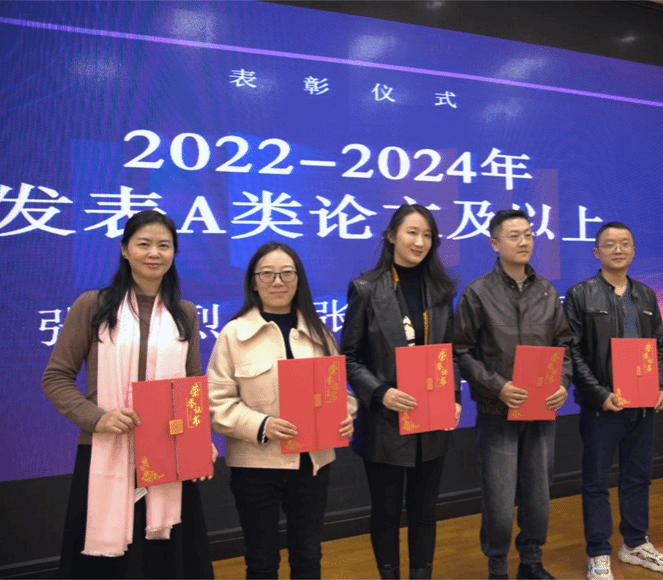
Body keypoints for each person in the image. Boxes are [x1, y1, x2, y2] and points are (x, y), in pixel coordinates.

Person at [41, 210, 214, 579]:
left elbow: (191, 386)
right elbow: (55, 377)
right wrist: (98, 418)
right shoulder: (93, 305)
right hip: (105, 449)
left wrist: (199, 439)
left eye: (164, 245)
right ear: (124, 249)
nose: (154, 253)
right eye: (144, 244)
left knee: (165, 561)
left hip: (169, 454)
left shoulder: (184, 313)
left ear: (174, 253)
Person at [207, 242, 357, 579]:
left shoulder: (318, 331)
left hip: (312, 463)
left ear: (298, 279)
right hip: (256, 466)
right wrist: (262, 424)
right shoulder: (233, 334)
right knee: (261, 560)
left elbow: (339, 391)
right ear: (254, 281)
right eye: (267, 274)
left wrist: (346, 415)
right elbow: (216, 402)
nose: (278, 281)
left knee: (308, 555)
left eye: (287, 273)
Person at [341, 204, 461, 580]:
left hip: (431, 419)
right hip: (386, 422)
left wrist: (454, 398)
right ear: (392, 236)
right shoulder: (366, 288)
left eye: (427, 235)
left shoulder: (441, 290)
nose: (419, 242)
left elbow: (451, 353)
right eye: (412, 232)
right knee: (387, 513)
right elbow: (349, 357)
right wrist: (380, 392)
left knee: (425, 512)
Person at [454, 209, 572, 580]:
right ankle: (497, 566)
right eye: (514, 236)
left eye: (529, 234)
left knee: (539, 495)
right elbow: (461, 352)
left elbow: (565, 344)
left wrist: (563, 382)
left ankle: (531, 562)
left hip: (540, 411)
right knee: (500, 499)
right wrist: (497, 386)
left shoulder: (547, 291)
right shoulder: (477, 292)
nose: (524, 242)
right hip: (497, 411)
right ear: (495, 243)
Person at [563, 222, 663, 580]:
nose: (618, 250)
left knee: (638, 477)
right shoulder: (581, 294)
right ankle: (598, 552)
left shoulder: (646, 295)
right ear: (597, 252)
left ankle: (635, 543)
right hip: (603, 406)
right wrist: (599, 394)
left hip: (642, 404)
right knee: (596, 482)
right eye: (609, 244)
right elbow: (572, 352)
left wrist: (661, 385)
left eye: (625, 243)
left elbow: (657, 347)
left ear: (633, 250)